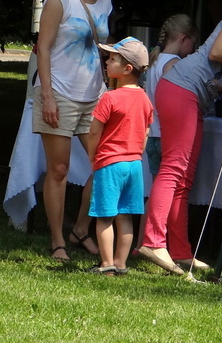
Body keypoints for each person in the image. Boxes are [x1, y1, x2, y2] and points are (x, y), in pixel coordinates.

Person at [138, 8, 222, 274]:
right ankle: (153, 242)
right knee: (173, 169)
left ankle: (181, 251)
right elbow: (218, 51)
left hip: (193, 99)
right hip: (181, 89)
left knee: (184, 179)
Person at [33, 0, 119, 262]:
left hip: (94, 96)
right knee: (59, 169)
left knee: (106, 164)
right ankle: (58, 241)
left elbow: (103, 43)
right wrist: (48, 97)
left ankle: (80, 229)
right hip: (59, 92)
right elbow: (43, 48)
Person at [86, 37, 153, 275]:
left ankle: (106, 264)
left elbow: (94, 131)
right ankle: (121, 263)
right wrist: (136, 153)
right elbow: (146, 132)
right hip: (134, 165)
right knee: (125, 216)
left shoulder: (110, 97)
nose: (106, 61)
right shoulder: (145, 98)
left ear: (127, 69)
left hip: (110, 164)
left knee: (104, 216)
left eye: (112, 59)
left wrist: (93, 156)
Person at [144, 14, 199, 177]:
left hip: (152, 135)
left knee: (158, 183)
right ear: (184, 38)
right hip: (167, 136)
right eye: (192, 43)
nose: (193, 49)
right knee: (172, 183)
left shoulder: (155, 59)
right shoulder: (175, 64)